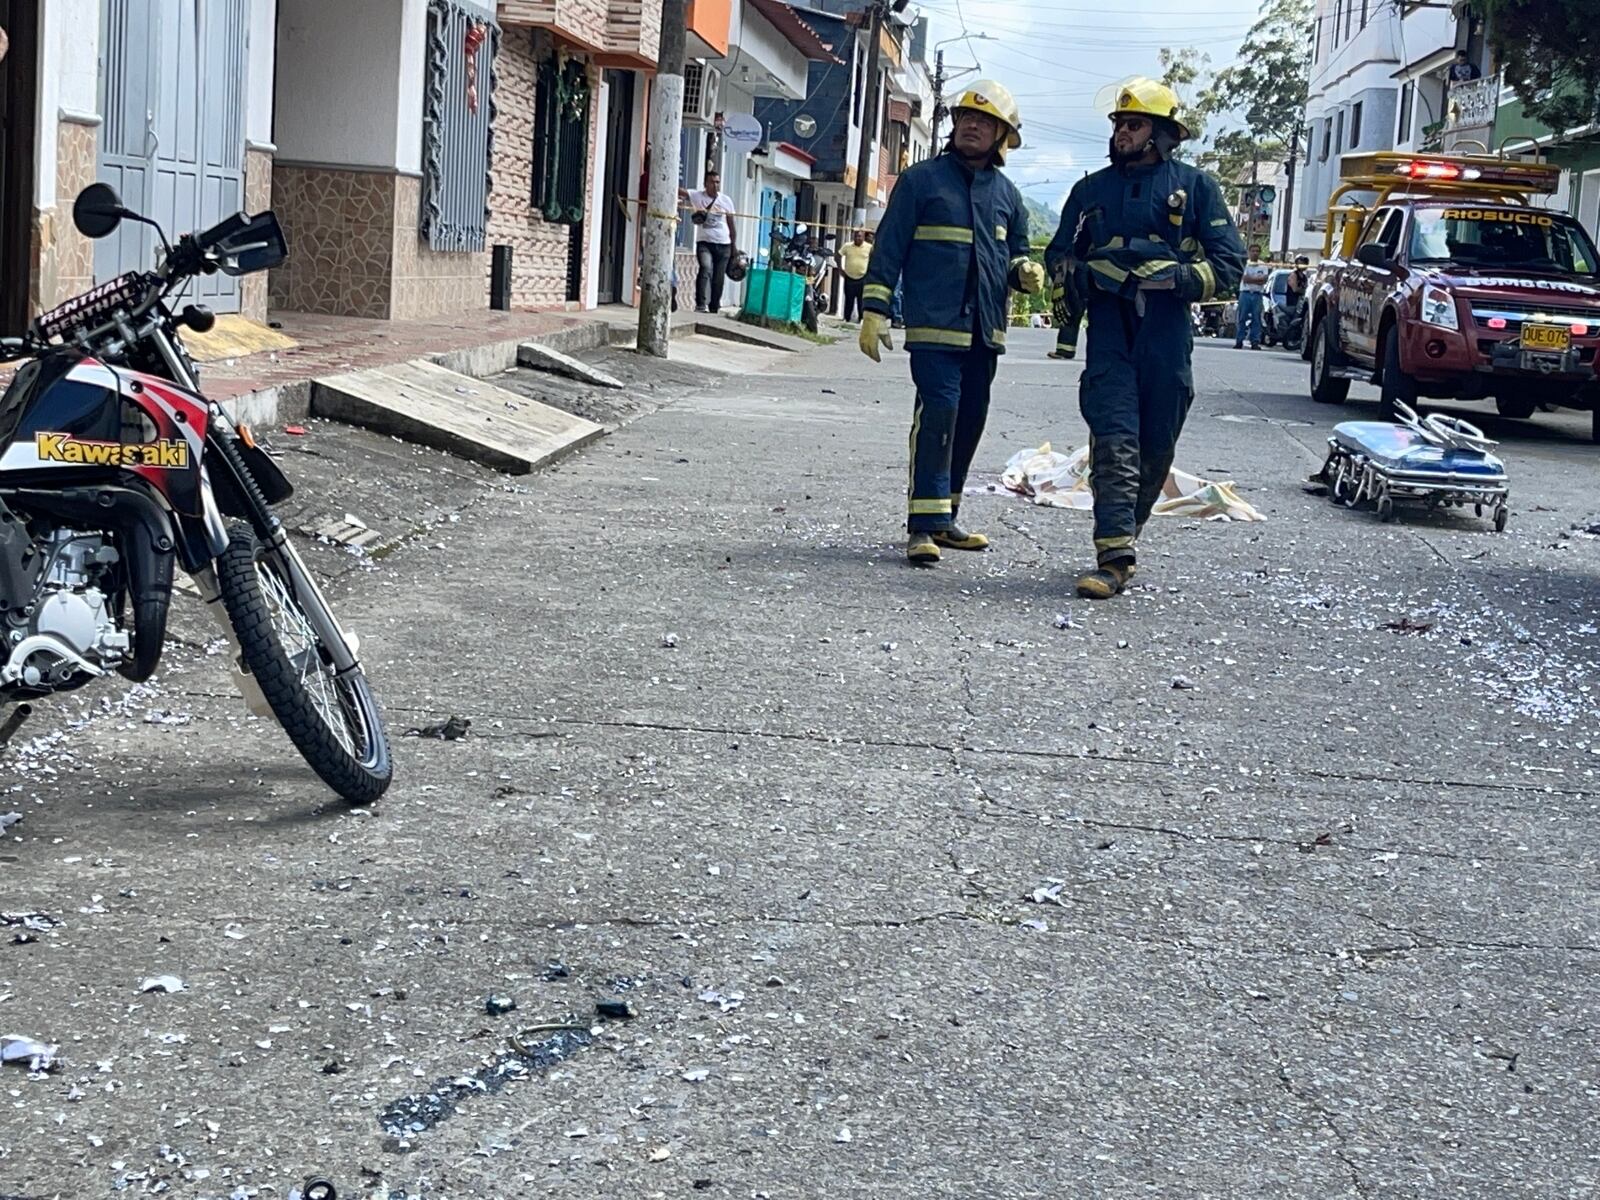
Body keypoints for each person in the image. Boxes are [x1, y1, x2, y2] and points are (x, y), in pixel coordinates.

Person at [1045, 76, 1245, 600]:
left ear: (1161, 134)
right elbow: (1059, 253)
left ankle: (1126, 533)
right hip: (1110, 327)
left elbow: (1229, 263)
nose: (1122, 133)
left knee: (1157, 442)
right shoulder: (1090, 192)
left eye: (1133, 125)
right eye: (1118, 124)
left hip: (1166, 329)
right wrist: (1074, 276)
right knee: (1113, 437)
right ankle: (1113, 555)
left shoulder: (1197, 188)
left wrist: (1177, 278)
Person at [857, 80, 1044, 565]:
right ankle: (923, 525)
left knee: (970, 419)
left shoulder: (1008, 196)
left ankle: (946, 517)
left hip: (986, 331)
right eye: (965, 117)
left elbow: (1016, 254)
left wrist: (1024, 271)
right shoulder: (921, 181)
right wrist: (875, 309)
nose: (972, 126)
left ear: (1002, 134)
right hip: (935, 328)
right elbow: (890, 246)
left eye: (983, 121)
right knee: (939, 412)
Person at [680, 170, 738, 313]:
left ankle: (714, 306)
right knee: (705, 268)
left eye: (717, 182)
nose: (715, 185)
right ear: (705, 184)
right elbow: (681, 192)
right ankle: (700, 304)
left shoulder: (726, 201)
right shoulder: (697, 196)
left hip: (724, 244)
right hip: (704, 243)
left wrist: (733, 247)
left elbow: (731, 225)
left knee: (718, 278)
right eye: (712, 182)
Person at [1235, 245, 1268, 349]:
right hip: (1245, 294)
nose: (1255, 253)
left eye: (1257, 251)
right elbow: (1245, 279)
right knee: (1242, 318)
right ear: (1249, 252)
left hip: (1257, 295)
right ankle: (1239, 341)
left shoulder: (1263, 265)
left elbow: (1264, 280)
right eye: (1253, 251)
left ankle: (1255, 342)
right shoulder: (1245, 264)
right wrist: (1257, 279)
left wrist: (1252, 279)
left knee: (1256, 319)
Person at [839, 229, 872, 322]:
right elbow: (838, 255)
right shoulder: (847, 246)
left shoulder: (869, 247)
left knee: (861, 300)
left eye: (860, 236)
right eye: (856, 236)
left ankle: (861, 318)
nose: (857, 238)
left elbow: (874, 258)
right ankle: (847, 318)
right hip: (849, 277)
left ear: (863, 237)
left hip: (863, 277)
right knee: (849, 299)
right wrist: (840, 268)